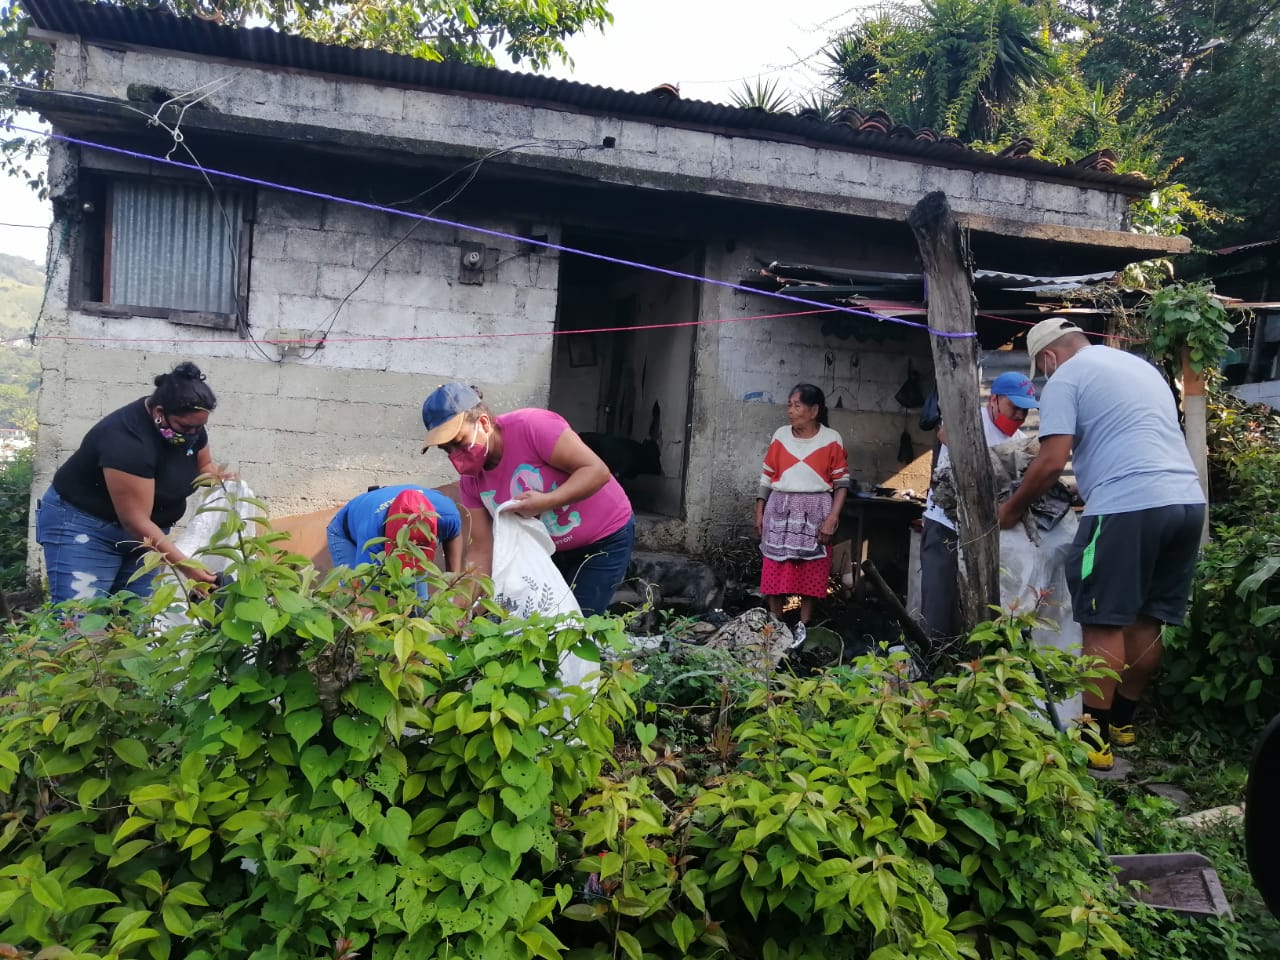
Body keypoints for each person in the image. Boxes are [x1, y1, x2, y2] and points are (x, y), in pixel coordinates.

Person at [998, 317, 1206, 771]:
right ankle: (1125, 722)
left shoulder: (1066, 377)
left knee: (1101, 619)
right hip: (1186, 502)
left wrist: (1011, 510)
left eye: (1043, 369)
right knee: (1148, 617)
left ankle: (1094, 738)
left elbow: (1052, 462)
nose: (1046, 377)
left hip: (1127, 506)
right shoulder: (1138, 368)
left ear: (1049, 357)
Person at [420, 383, 635, 617]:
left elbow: (596, 471)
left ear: (483, 423)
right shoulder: (472, 482)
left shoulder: (532, 427)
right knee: (535, 621)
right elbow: (482, 551)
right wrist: (461, 606)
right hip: (547, 551)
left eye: (458, 443)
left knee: (576, 625)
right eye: (446, 449)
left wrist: (546, 502)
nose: (454, 456)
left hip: (603, 538)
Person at [36, 361, 222, 604]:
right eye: (186, 426)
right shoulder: (127, 442)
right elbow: (136, 520)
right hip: (85, 527)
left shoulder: (190, 428)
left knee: (134, 619)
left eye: (200, 427)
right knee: (81, 621)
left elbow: (204, 466)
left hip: (148, 535)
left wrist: (225, 482)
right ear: (159, 412)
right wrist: (187, 567)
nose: (192, 434)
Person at [920, 371, 1040, 647]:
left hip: (987, 535)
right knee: (940, 608)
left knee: (981, 614)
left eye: (1026, 410)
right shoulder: (970, 421)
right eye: (1015, 408)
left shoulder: (1021, 440)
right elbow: (944, 433)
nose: (1020, 416)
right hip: (947, 527)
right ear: (995, 400)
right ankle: (931, 671)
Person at [754, 384, 851, 642]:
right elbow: (767, 476)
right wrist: (759, 509)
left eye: (797, 405)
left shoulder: (832, 439)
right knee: (775, 564)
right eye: (789, 404)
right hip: (780, 509)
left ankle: (804, 627)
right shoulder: (780, 436)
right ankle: (775, 625)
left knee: (812, 567)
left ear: (814, 410)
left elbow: (842, 483)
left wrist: (832, 517)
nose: (790, 411)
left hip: (816, 510)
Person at [326, 485, 463, 597]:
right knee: (353, 595)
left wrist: (452, 585)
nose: (411, 556)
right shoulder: (372, 536)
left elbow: (454, 536)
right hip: (345, 532)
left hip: (375, 512)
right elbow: (365, 598)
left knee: (417, 604)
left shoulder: (445, 514)